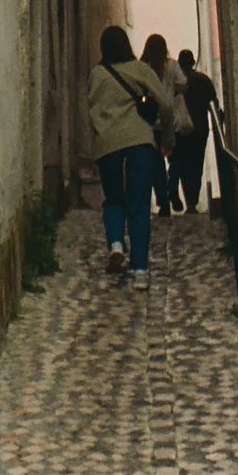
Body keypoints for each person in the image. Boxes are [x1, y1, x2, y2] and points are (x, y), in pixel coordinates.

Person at [88, 25, 170, 289]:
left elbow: (90, 110)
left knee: (113, 199)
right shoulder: (140, 69)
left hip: (108, 145)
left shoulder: (97, 75)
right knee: (139, 204)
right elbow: (167, 104)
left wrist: (98, 141)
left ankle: (115, 243)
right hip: (140, 143)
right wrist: (168, 138)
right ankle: (140, 271)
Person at [139, 35, 186, 216]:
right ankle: (172, 188)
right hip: (170, 122)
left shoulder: (143, 68)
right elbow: (183, 84)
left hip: (150, 123)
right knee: (176, 160)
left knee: (155, 165)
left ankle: (163, 201)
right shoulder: (172, 66)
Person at [170, 49, 218, 213]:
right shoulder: (203, 80)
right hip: (199, 131)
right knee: (195, 166)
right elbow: (214, 104)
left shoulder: (175, 82)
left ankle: (179, 193)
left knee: (181, 165)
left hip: (180, 130)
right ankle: (192, 202)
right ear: (192, 63)